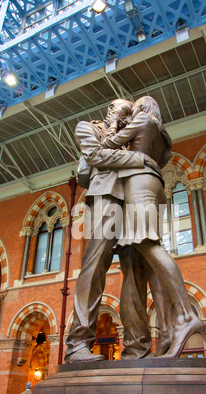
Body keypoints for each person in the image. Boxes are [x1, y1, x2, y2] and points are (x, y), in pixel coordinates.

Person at [101, 96, 206, 358]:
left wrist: (116, 126)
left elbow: (107, 146)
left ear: (142, 108)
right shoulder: (161, 134)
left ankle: (185, 315)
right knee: (150, 254)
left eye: (135, 105)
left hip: (139, 186)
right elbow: (163, 159)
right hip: (156, 185)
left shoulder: (141, 119)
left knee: (147, 245)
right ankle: (169, 329)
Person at [64, 100, 160, 362]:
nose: (128, 114)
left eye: (132, 112)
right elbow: (95, 156)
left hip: (135, 198)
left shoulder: (130, 134)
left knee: (135, 271)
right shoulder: (87, 128)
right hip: (105, 194)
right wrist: (138, 158)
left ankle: (137, 349)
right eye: (123, 109)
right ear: (109, 109)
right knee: (95, 264)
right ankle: (77, 345)